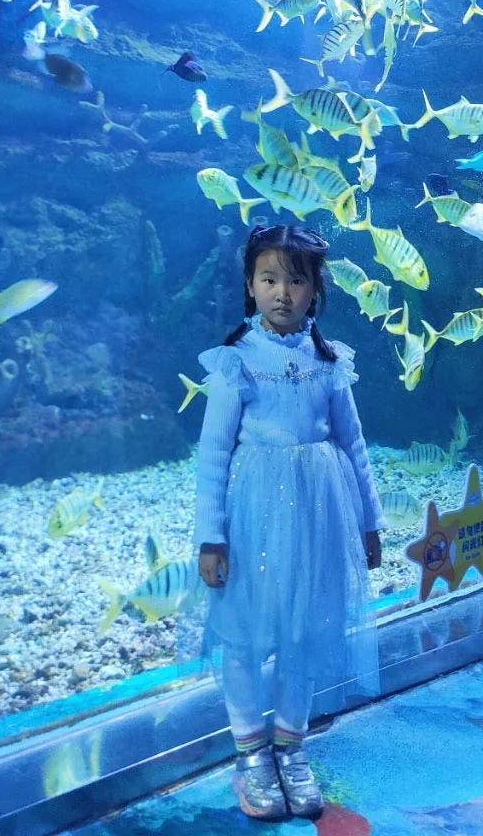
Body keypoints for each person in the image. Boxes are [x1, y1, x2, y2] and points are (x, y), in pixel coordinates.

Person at [193, 223, 386, 822]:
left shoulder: (329, 362)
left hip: (319, 518)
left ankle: (290, 746)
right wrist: (210, 536)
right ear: (250, 286)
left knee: (304, 630)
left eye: (296, 281)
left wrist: (368, 521)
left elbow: (354, 444)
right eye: (269, 278)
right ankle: (250, 752)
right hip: (252, 518)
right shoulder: (236, 362)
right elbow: (213, 454)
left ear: (315, 291)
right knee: (244, 634)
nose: (282, 292)